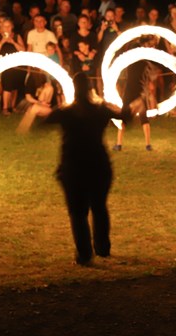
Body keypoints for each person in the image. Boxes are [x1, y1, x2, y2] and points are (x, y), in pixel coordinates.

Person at [45, 72, 130, 265]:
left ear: (73, 89)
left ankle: (84, 254)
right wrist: (132, 106)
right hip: (99, 166)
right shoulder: (101, 110)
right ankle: (102, 248)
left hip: (74, 169)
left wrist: (33, 111)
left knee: (78, 213)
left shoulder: (66, 112)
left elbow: (42, 122)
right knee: (99, 207)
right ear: (91, 89)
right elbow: (125, 117)